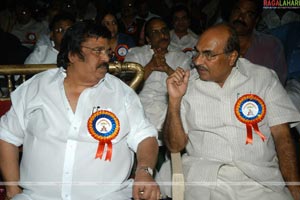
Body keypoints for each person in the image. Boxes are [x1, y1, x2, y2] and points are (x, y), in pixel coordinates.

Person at [0, 20, 160, 200]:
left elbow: (146, 137)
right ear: (73, 55)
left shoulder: (121, 94)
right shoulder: (36, 88)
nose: (106, 58)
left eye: (107, 51)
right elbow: (6, 136)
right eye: (97, 51)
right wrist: (13, 189)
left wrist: (144, 171)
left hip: (108, 197)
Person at [157, 23, 300, 200]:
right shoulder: (187, 85)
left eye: (208, 54)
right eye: (197, 52)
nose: (197, 61)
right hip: (206, 179)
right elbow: (174, 146)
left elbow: (282, 136)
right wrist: (174, 101)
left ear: (232, 57)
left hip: (259, 180)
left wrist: (294, 189)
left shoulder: (263, 79)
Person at [124, 17, 191, 133]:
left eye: (164, 30)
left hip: (170, 109)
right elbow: (126, 88)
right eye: (156, 32)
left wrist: (167, 69)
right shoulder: (135, 54)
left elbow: (189, 89)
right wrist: (150, 66)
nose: (162, 35)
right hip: (138, 108)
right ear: (148, 39)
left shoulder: (182, 57)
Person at [228, 0, 288, 85]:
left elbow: (278, 84)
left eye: (249, 14)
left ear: (256, 20)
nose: (240, 17)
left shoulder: (271, 46)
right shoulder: (214, 40)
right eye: (237, 11)